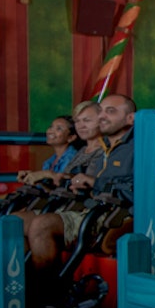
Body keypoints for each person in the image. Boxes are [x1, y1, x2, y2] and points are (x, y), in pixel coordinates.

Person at [21, 94, 136, 276]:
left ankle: (44, 295)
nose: (102, 116)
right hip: (86, 208)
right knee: (15, 222)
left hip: (111, 216)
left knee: (42, 224)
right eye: (101, 112)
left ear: (131, 118)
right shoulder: (106, 147)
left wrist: (94, 183)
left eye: (111, 111)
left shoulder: (137, 147)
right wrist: (76, 184)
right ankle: (19, 286)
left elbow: (138, 190)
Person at [16, 101, 101, 186]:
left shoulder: (104, 152)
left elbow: (87, 183)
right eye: (77, 121)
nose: (81, 126)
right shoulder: (82, 151)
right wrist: (36, 177)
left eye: (87, 120)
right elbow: (61, 185)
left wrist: (47, 174)